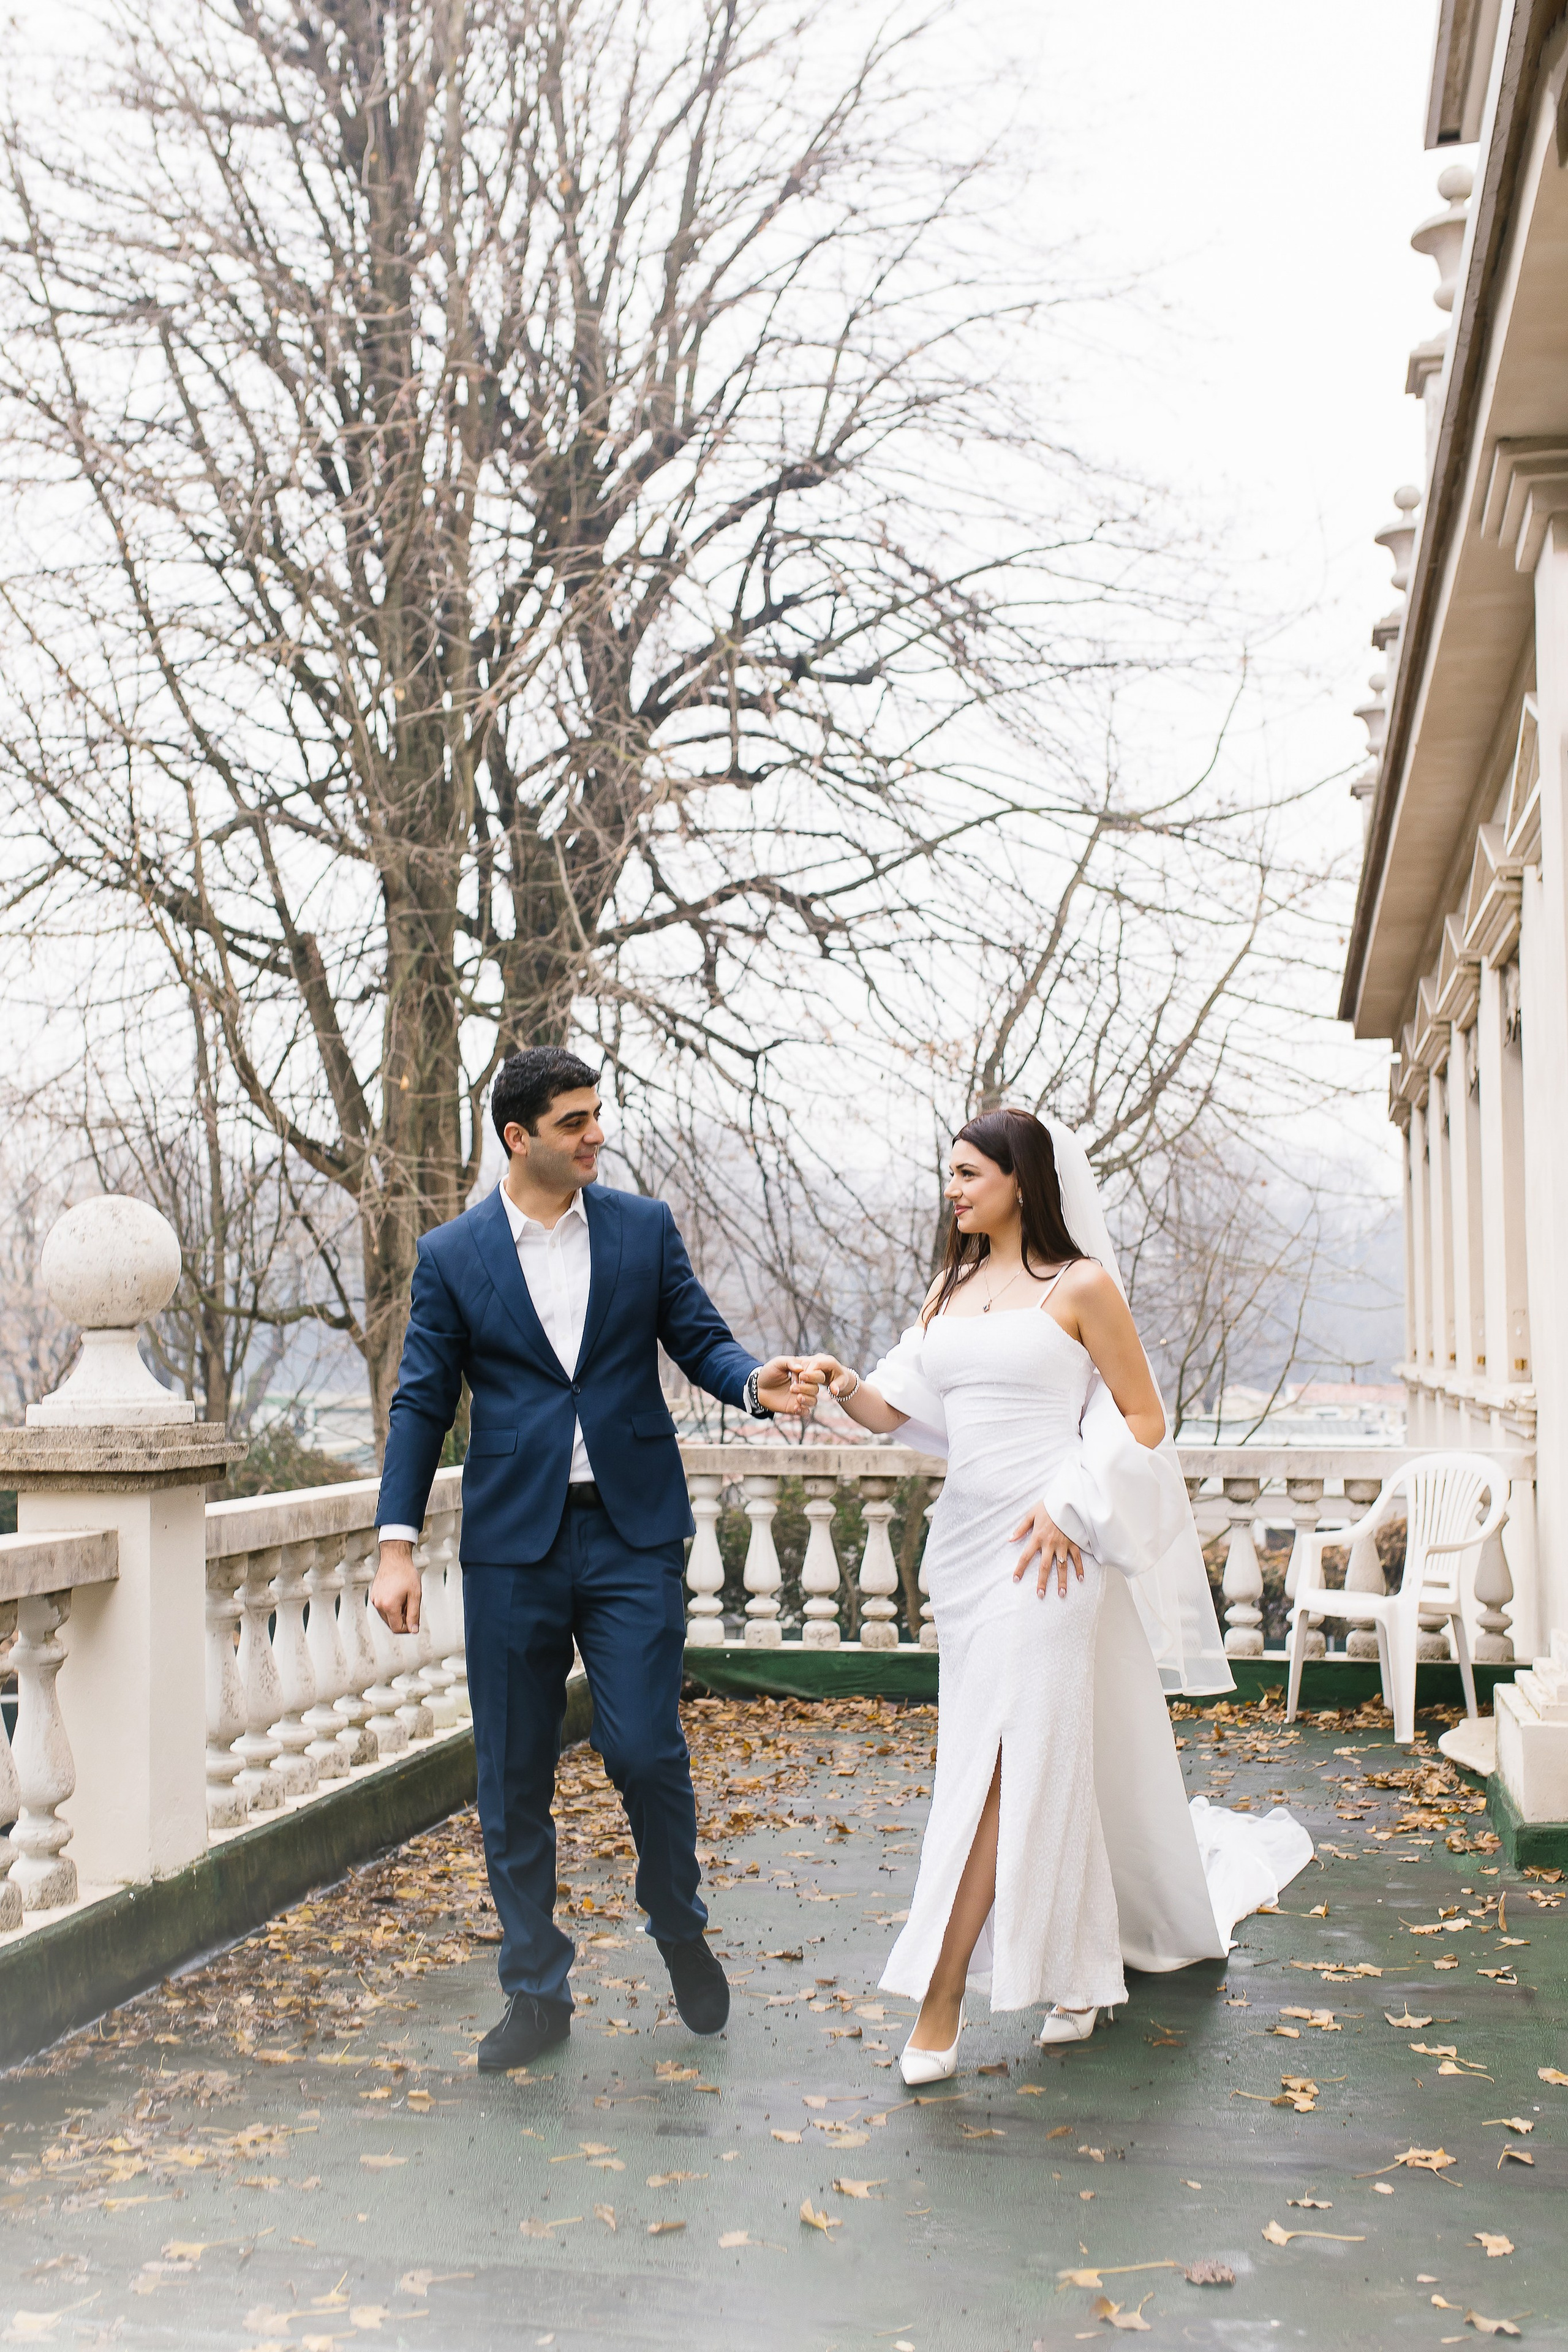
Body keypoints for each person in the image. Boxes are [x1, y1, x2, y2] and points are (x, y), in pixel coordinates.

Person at [794, 1107, 1310, 2086]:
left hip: (1052, 1555)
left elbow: (1144, 1416)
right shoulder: (949, 1289)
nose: (952, 1191)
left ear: (1020, 1182)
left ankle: (942, 1997)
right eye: (947, 1175)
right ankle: (1080, 1974)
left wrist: (1072, 1505)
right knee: (1027, 1762)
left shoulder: (1081, 1286)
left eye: (967, 1174)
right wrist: (832, 1379)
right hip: (968, 1553)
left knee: (1002, 1766)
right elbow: (888, 1409)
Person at [372, 1046, 804, 2071]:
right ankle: (536, 1990)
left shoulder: (642, 1228)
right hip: (514, 1544)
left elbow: (699, 1337)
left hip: (629, 1528)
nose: (595, 1134)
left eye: (597, 1114)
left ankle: (678, 1920)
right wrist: (394, 1547)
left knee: (645, 1747)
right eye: (574, 1122)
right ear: (519, 1138)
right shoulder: (453, 1255)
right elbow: (422, 1403)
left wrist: (754, 1383)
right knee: (511, 1772)